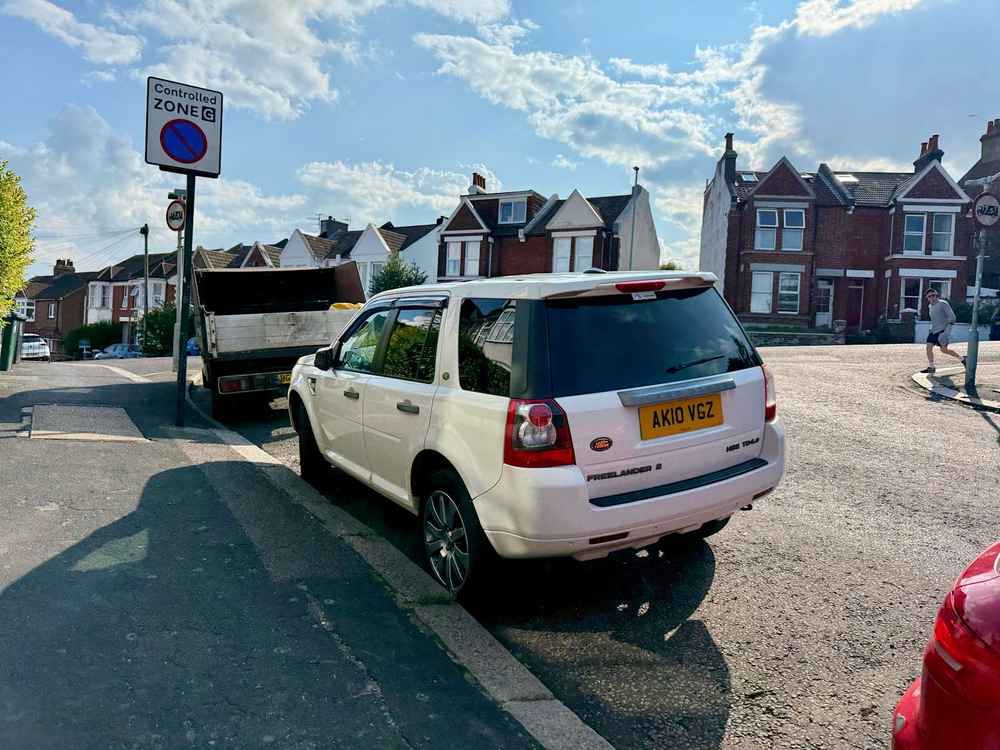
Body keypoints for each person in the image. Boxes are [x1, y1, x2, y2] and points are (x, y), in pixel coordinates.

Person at [920, 288, 965, 373]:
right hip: (933, 331)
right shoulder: (930, 306)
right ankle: (931, 367)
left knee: (944, 350)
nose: (932, 297)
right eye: (930, 296)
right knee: (928, 347)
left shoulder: (943, 304)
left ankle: (962, 359)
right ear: (927, 298)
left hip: (943, 331)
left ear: (936, 295)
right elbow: (934, 319)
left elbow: (952, 318)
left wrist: (946, 331)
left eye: (934, 295)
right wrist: (931, 329)